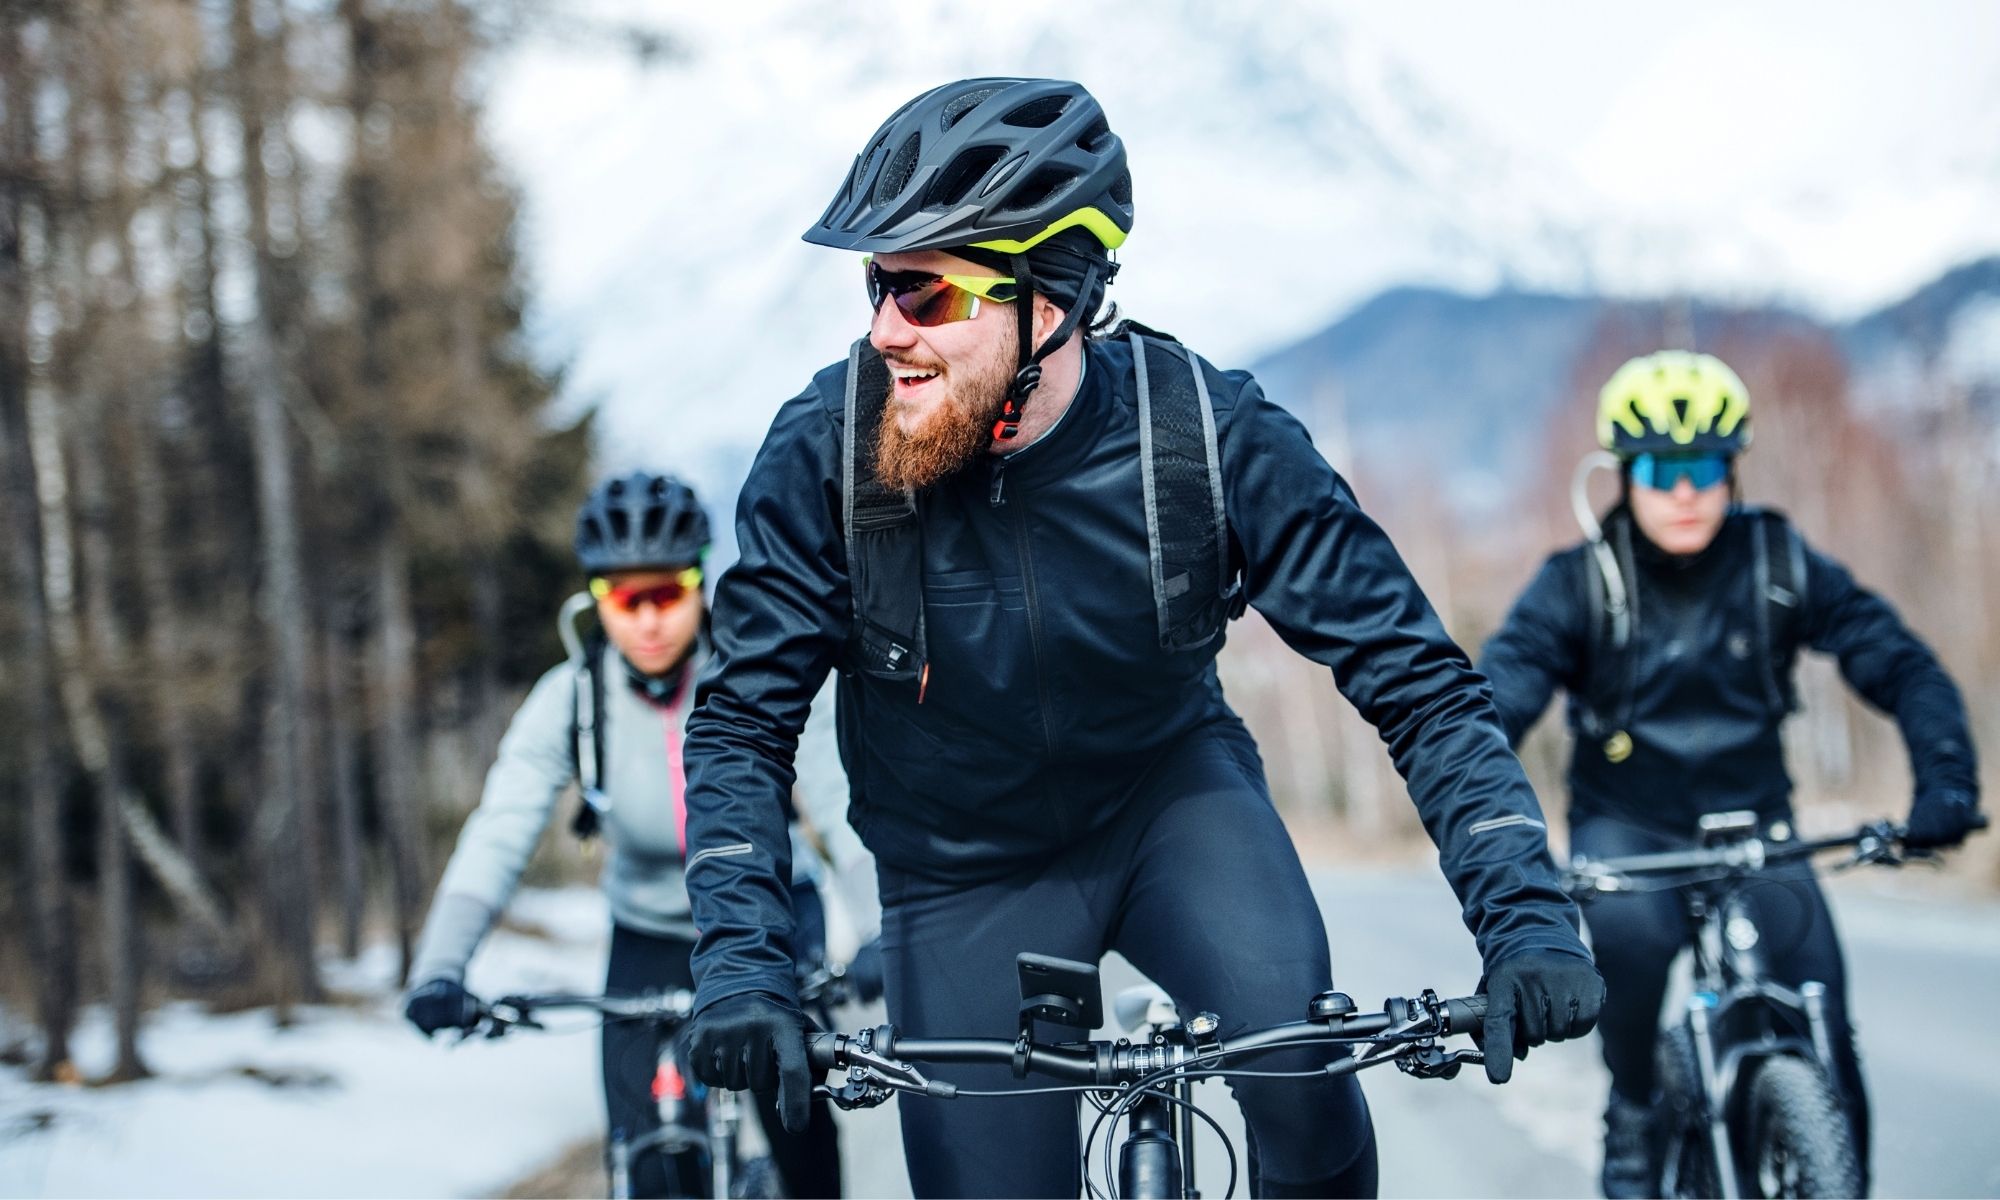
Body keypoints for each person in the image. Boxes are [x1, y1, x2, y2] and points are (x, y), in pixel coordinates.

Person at [675, 78, 1603, 1198]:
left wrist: (1525, 921)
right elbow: (738, 729)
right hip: (958, 874)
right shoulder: (826, 453)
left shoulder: (1207, 438)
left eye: (923, 291)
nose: (884, 329)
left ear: (1051, 296)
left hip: (1173, 813)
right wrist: (742, 970)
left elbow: (1416, 680)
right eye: (877, 285)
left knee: (1301, 1087)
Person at [1478, 350, 1983, 1197]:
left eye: (1705, 466)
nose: (1684, 491)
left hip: (1759, 828)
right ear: (1623, 474)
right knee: (1629, 964)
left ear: (1732, 470)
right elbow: (1495, 705)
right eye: (1661, 468)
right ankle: (1634, 1111)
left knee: (1822, 1016)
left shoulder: (1777, 562)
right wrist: (1499, 839)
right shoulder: (1579, 585)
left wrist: (1947, 783)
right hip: (1629, 833)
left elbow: (1898, 662)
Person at [402, 472, 871, 1198]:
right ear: (595, 600)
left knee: (800, 1132)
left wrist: (875, 931)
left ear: (700, 584)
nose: (647, 619)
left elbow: (842, 802)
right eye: (624, 598)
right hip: (645, 935)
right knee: (646, 1161)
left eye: (667, 591)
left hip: (768, 925)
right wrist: (441, 964)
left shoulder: (759, 673)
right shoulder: (573, 696)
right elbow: (502, 826)